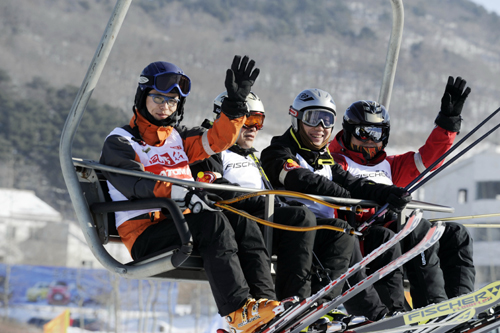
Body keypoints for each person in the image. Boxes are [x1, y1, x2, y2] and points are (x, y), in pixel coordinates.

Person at [99, 56, 280, 333]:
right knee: (211, 220)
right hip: (146, 232)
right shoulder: (121, 141)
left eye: (172, 101)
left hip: (183, 220)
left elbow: (218, 140)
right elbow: (136, 182)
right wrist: (183, 194)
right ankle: (236, 311)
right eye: (158, 99)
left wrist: (234, 105)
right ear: (143, 96)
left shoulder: (179, 138)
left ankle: (265, 304)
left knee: (242, 220)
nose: (165, 107)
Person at [260, 88, 412, 320]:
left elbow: (356, 185)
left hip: (323, 231)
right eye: (312, 118)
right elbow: (300, 178)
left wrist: (388, 192)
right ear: (297, 118)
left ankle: (379, 316)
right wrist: (340, 192)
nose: (320, 127)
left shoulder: (325, 160)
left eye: (327, 120)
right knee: (336, 230)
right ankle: (308, 307)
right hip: (289, 230)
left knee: (352, 253)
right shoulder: (277, 152)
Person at [190, 91, 355, 303]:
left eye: (258, 122)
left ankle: (321, 304)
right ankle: (292, 301)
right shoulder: (213, 150)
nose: (253, 129)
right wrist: (266, 201)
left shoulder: (248, 155)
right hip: (239, 222)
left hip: (265, 218)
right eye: (247, 120)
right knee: (300, 217)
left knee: (338, 230)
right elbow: (216, 188)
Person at [328, 76, 475, 309]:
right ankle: (431, 304)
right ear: (348, 132)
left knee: (455, 233)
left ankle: (460, 303)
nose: (370, 141)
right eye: (363, 132)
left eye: (377, 134)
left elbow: (428, 159)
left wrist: (448, 122)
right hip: (365, 235)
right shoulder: (336, 163)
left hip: (395, 230)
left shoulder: (390, 165)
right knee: (418, 229)